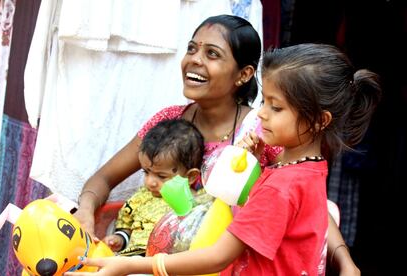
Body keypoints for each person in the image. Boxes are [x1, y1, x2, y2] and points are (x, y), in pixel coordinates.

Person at [74, 15, 360, 275]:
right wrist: (86, 210)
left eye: (212, 54)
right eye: (191, 49)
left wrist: (344, 260)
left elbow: (307, 207)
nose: (195, 60)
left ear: (244, 74)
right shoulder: (170, 121)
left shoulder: (262, 134)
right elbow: (104, 177)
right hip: (162, 255)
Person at [102, 118, 204, 255]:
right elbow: (126, 225)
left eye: (161, 176)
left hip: (167, 265)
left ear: (190, 176)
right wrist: (120, 239)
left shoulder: (196, 205)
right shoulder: (141, 198)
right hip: (131, 258)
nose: (150, 182)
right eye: (146, 172)